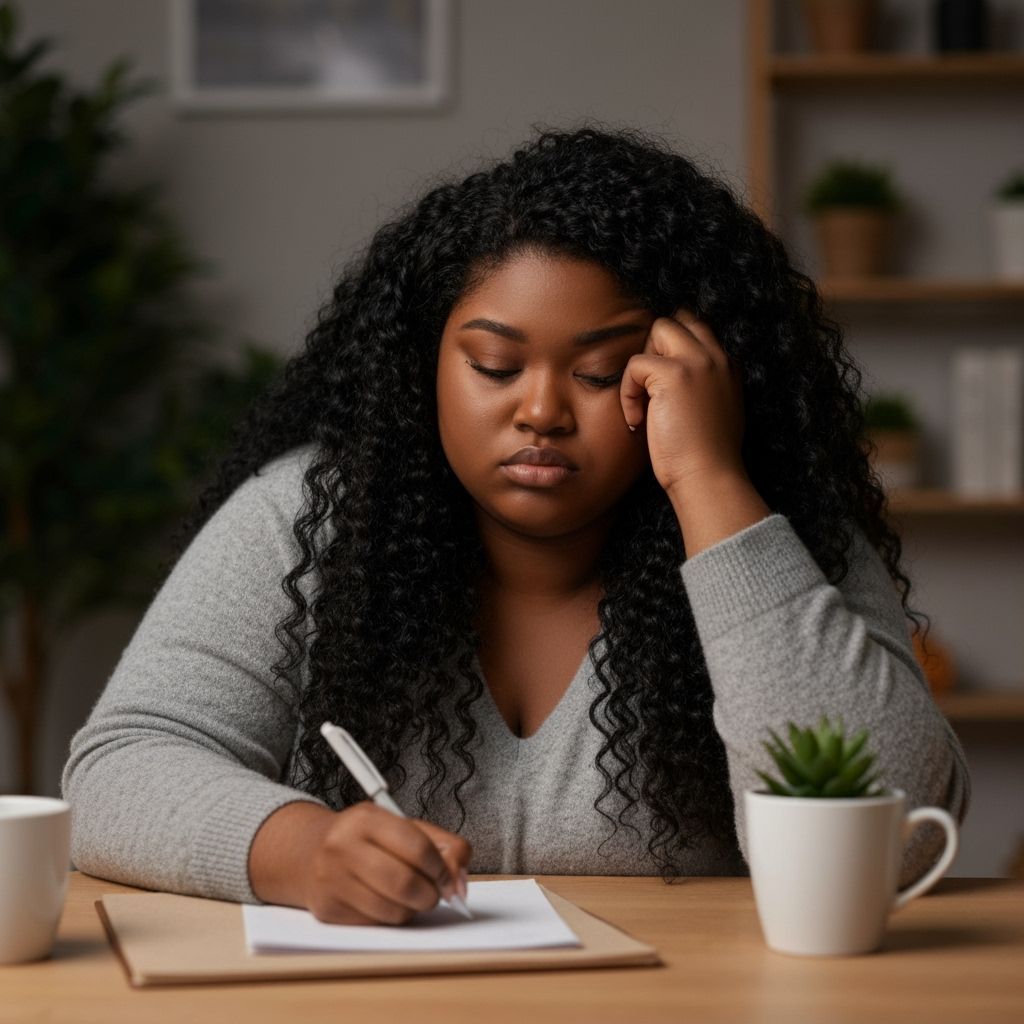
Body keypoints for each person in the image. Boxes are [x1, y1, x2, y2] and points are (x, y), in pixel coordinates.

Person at [62, 124, 970, 927]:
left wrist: (710, 482)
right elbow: (120, 767)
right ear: (426, 367)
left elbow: (896, 838)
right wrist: (296, 850)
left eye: (599, 370)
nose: (540, 410)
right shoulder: (307, 516)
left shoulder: (776, 531)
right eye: (495, 366)